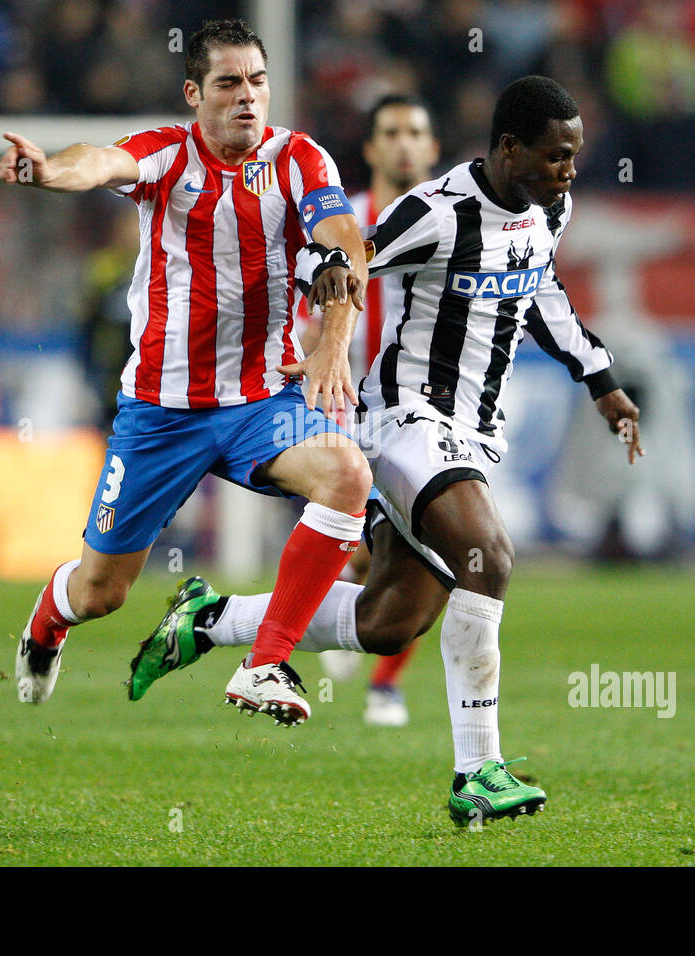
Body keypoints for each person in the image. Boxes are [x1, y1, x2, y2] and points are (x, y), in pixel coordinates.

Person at [130, 76, 644, 824]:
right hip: (408, 417)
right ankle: (480, 771)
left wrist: (598, 378)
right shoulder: (438, 213)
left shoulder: (547, 207)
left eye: (574, 156)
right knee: (489, 557)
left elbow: (541, 291)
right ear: (509, 149)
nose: (569, 170)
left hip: (476, 432)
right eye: (555, 156)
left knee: (389, 621)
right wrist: (328, 303)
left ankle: (210, 620)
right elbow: (337, 258)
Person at [0, 18, 372, 726]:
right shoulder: (168, 154)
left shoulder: (300, 161)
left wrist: (333, 343)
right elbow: (99, 160)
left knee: (348, 475)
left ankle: (265, 661)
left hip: (260, 402)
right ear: (195, 93)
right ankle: (49, 620)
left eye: (257, 82)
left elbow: (344, 243)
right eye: (229, 83)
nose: (247, 98)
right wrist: (51, 172)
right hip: (160, 413)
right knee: (102, 592)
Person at [306, 93, 440, 727]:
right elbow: (312, 308)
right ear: (370, 149)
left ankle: (385, 683)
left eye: (416, 131)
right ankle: (341, 604)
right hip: (348, 401)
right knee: (371, 533)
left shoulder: (453, 219)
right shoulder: (345, 224)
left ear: (433, 147)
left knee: (433, 543)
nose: (405, 143)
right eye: (391, 131)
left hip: (427, 409)